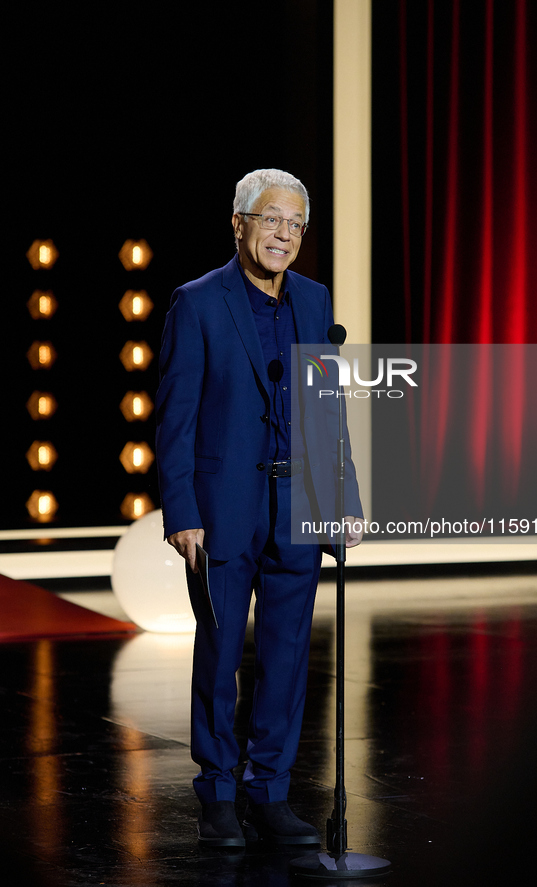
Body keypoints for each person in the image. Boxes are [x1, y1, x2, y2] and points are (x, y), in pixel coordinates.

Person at [155, 168, 363, 848]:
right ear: (239, 223)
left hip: (296, 503)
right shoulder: (197, 302)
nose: (284, 234)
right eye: (272, 219)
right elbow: (175, 417)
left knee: (286, 653)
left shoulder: (312, 299)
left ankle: (268, 790)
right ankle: (217, 792)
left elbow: (326, 406)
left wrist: (343, 497)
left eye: (296, 224)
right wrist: (181, 508)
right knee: (219, 653)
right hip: (221, 508)